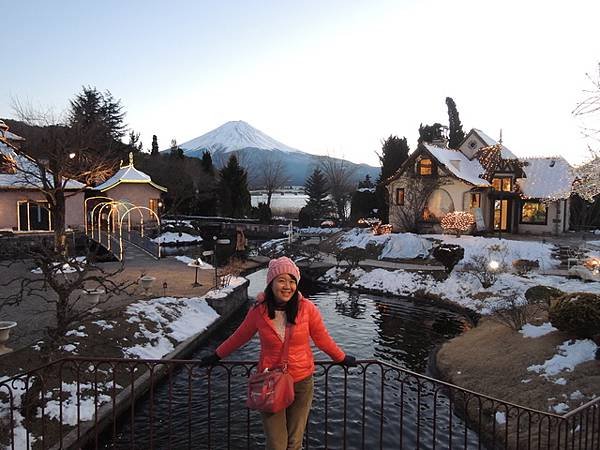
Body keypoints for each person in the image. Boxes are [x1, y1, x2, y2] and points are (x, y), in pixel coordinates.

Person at [201, 256, 356, 450]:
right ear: (271, 283)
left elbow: (322, 339)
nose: (287, 286)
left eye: (292, 281)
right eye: (282, 280)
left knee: (294, 443)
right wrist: (216, 355)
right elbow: (239, 336)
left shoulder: (307, 309)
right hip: (270, 382)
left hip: (301, 382)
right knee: (276, 444)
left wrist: (341, 358)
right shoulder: (259, 311)